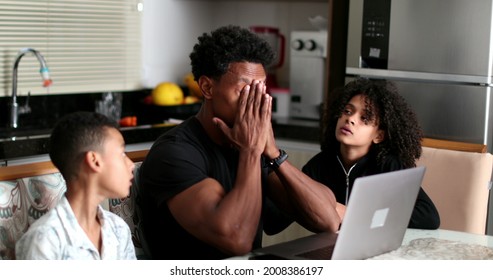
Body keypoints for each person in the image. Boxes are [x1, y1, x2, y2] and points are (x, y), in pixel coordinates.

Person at [135, 25, 342, 260]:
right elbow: (237, 240)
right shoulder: (174, 153)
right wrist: (251, 151)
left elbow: (327, 220)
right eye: (244, 89)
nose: (255, 100)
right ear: (207, 87)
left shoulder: (250, 145)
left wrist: (273, 154)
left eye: (261, 89)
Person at [302, 78, 440, 229]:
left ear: (378, 136)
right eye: (347, 111)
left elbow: (428, 216)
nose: (350, 119)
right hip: (328, 250)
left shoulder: (388, 165)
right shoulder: (320, 165)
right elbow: (277, 221)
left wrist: (351, 214)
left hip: (377, 250)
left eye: (365, 118)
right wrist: (273, 161)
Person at [15, 111, 137, 260]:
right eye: (122, 154)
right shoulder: (44, 241)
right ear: (94, 160)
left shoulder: (119, 229)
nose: (131, 165)